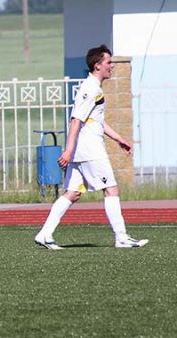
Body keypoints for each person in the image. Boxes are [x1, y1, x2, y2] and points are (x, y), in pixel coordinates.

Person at [34, 44, 147, 250]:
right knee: (111, 189)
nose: (111, 66)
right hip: (89, 150)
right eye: (108, 62)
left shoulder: (94, 88)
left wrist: (118, 138)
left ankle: (44, 234)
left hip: (82, 150)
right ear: (97, 65)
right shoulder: (90, 89)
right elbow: (76, 120)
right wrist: (68, 151)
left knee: (73, 193)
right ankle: (121, 237)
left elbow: (97, 121)